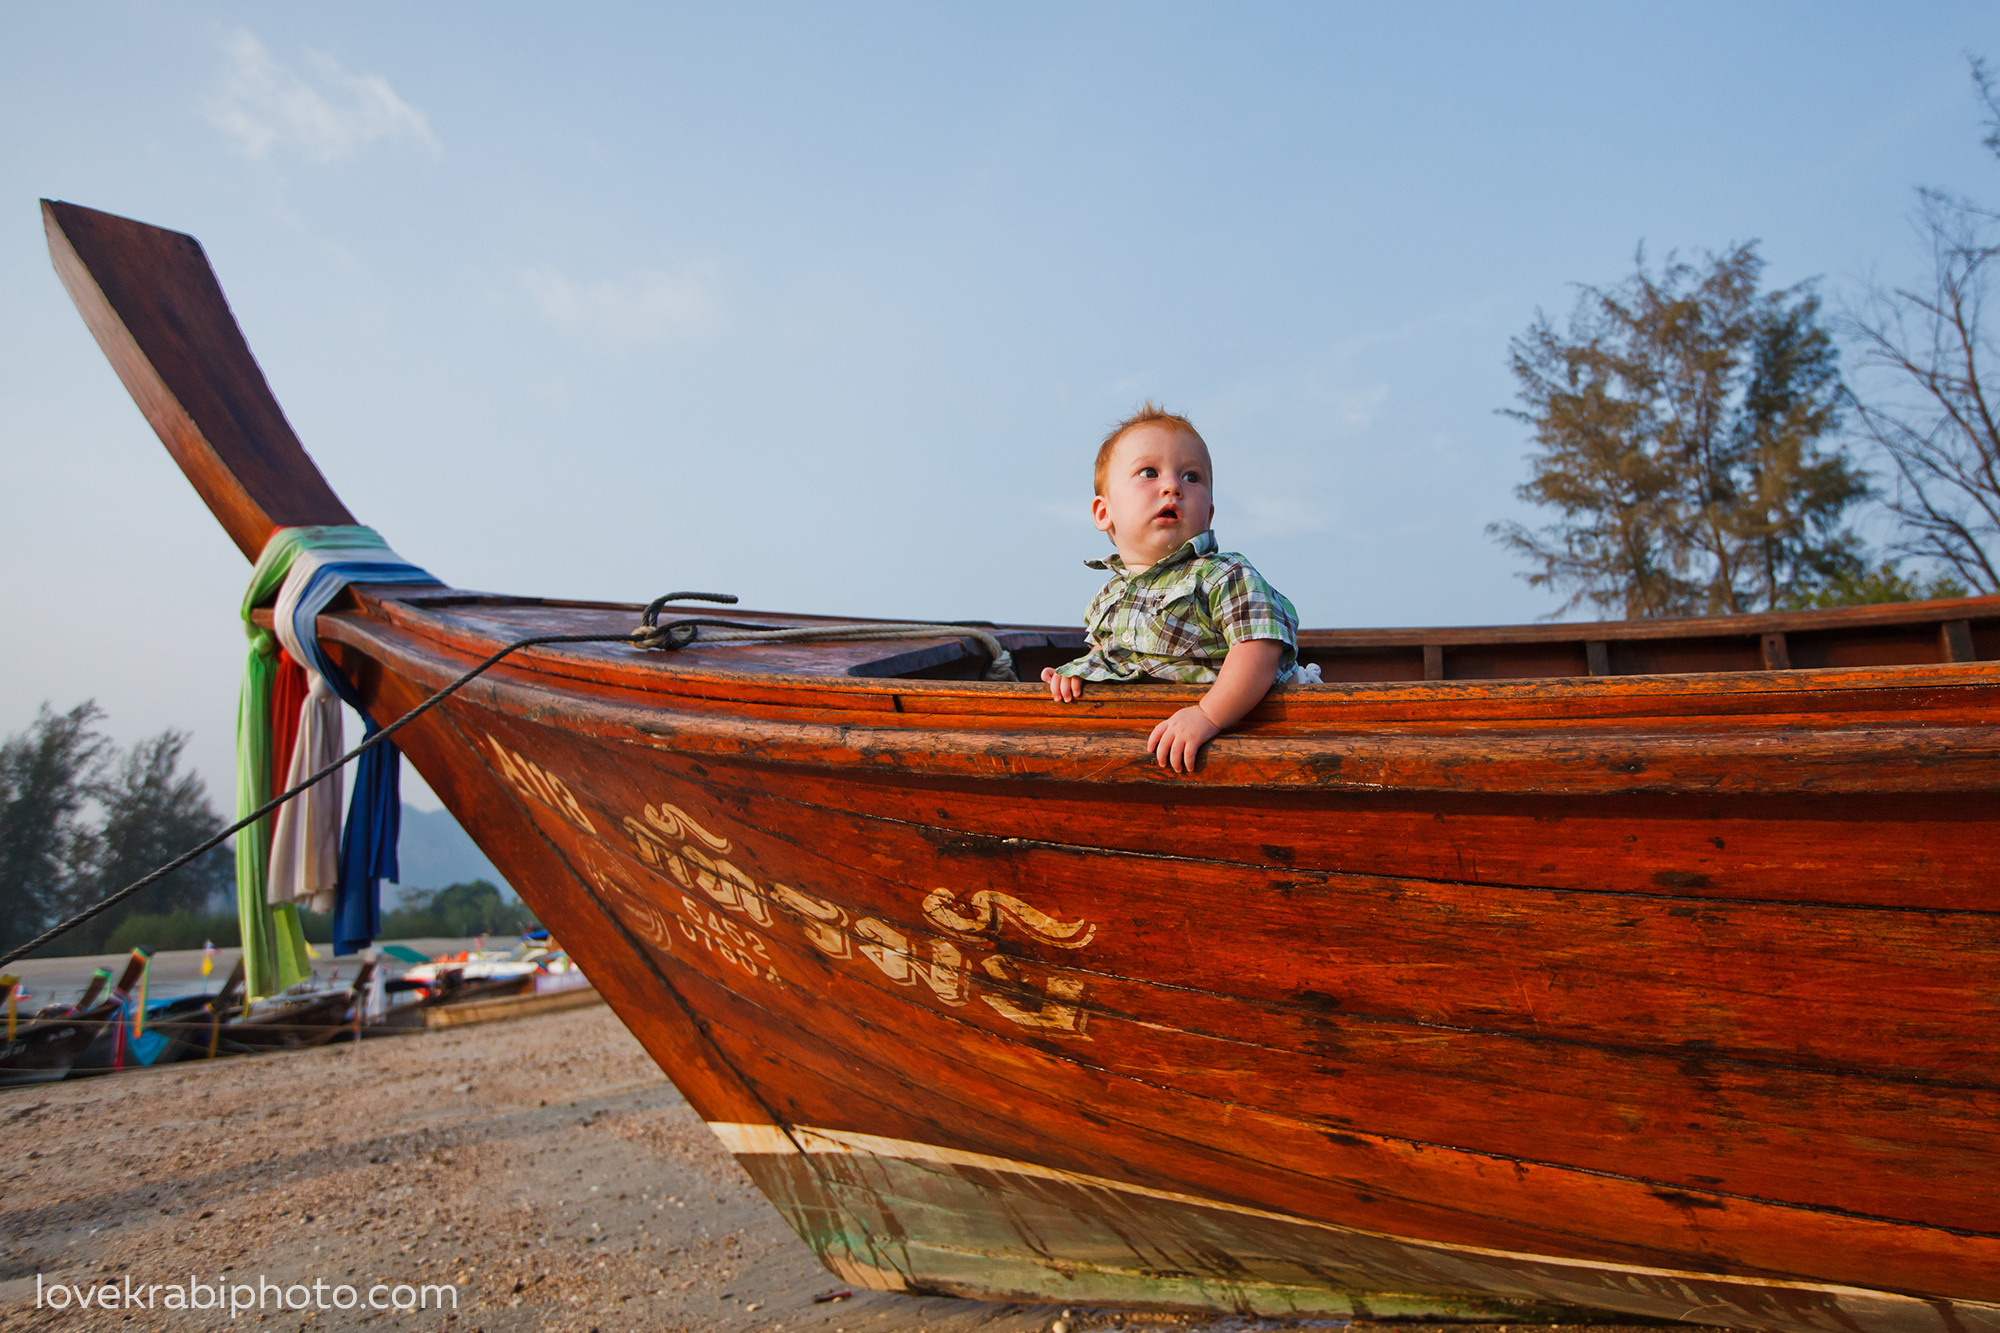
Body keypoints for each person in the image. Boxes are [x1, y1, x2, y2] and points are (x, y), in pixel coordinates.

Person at [1043, 403, 1320, 773]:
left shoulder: (1223, 575)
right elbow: (1115, 657)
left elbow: (1260, 648)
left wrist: (1208, 714)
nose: (1172, 486)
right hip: (1163, 732)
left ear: (1207, 515)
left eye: (1191, 477)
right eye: (1149, 473)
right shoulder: (1107, 599)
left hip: (1258, 722)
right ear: (1103, 513)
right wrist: (1079, 672)